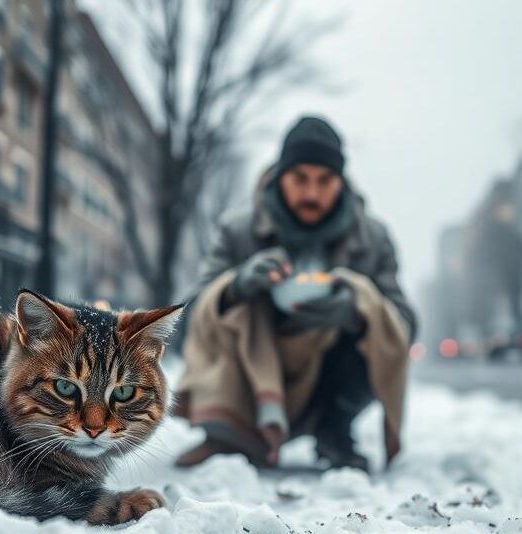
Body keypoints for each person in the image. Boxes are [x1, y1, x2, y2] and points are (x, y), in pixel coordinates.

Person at [174, 115, 416, 471]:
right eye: (300, 179)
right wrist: (236, 287)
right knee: (227, 300)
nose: (312, 193)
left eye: (325, 180)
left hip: (332, 381)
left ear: (342, 181)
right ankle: (229, 432)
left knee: (373, 309)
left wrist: (354, 313)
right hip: (249, 381)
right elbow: (187, 329)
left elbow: (404, 326)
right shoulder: (237, 231)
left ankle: (334, 428)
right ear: (279, 176)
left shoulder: (374, 239)